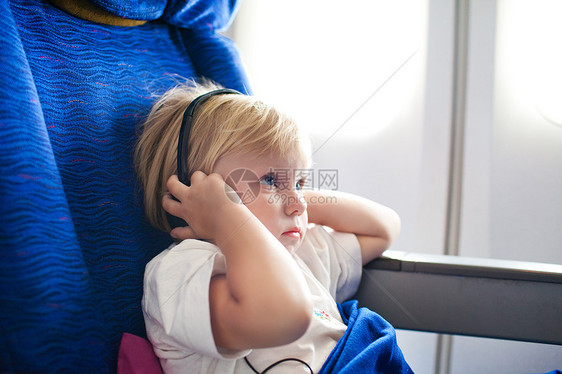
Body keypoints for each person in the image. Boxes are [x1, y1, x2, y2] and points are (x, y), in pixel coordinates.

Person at [134, 80, 410, 373]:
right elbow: (284, 316)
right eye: (269, 180)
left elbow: (383, 227)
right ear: (193, 191)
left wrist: (293, 197)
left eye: (300, 182)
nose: (299, 204)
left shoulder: (299, 251)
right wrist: (227, 217)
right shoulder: (183, 271)